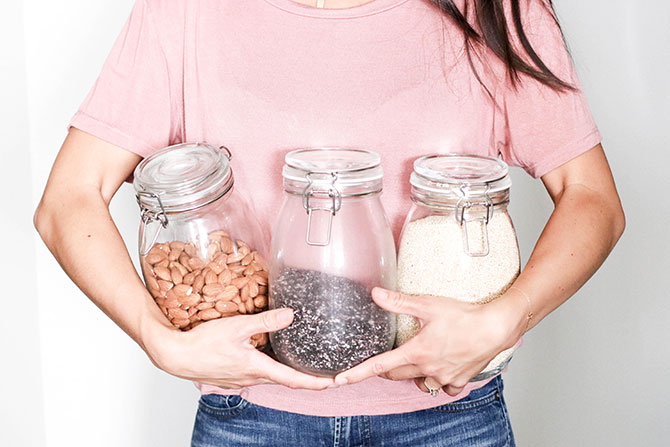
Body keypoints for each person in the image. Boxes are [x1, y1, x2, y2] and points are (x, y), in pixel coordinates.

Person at [34, 0, 625, 445]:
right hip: (250, 421)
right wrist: (155, 337)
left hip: (448, 417)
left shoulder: (495, 9)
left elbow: (591, 197)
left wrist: (501, 321)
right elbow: (69, 198)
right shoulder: (188, 10)